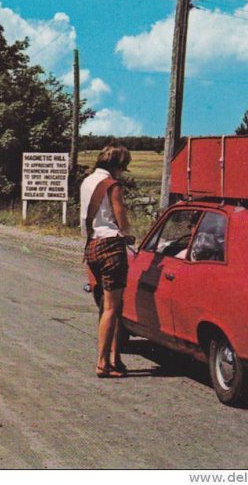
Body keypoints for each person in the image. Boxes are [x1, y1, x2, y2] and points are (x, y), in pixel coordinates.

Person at [80, 143, 134, 378]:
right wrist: (128, 233)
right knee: (112, 307)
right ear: (116, 166)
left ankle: (115, 357)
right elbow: (119, 212)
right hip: (111, 244)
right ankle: (103, 363)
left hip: (91, 245)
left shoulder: (87, 181)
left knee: (108, 305)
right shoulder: (112, 185)